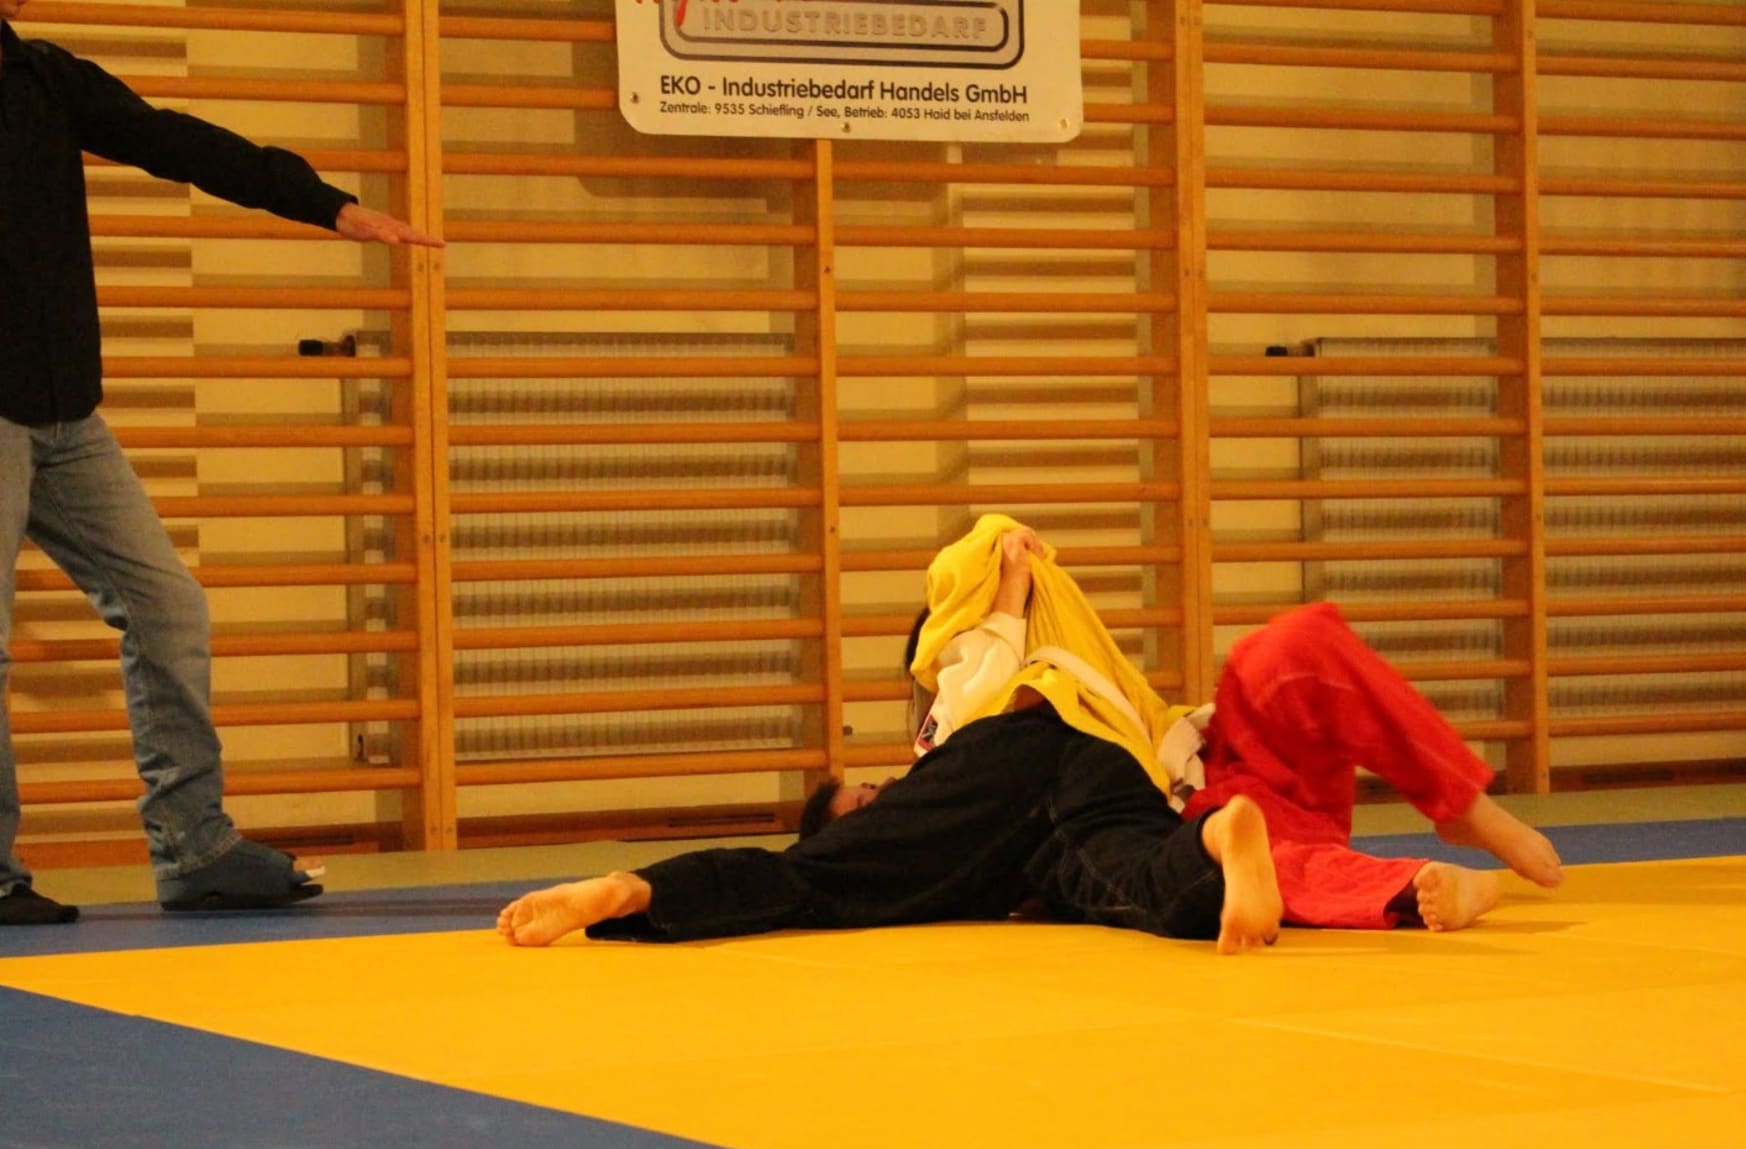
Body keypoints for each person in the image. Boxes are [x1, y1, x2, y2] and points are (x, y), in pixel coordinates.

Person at [1, 1, 445, 925]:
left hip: (64, 414)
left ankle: (195, 847)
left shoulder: (42, 77)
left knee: (167, 606)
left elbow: (178, 141)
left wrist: (327, 204)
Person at [900, 517, 1564, 934]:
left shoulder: (1069, 663)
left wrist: (1014, 579)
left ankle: (1462, 804)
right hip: (1187, 822)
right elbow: (980, 733)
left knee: (1289, 647)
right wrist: (1000, 608)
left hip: (1222, 753)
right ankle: (1411, 886)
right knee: (1253, 861)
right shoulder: (950, 741)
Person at [497, 707, 1285, 956]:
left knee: (804, 882)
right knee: (1140, 882)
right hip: (1096, 769)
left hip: (1018, 770)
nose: (876, 799)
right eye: (861, 802)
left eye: (869, 793)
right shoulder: (962, 765)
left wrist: (639, 888)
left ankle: (631, 891)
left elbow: (803, 870)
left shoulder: (938, 778)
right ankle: (1219, 838)